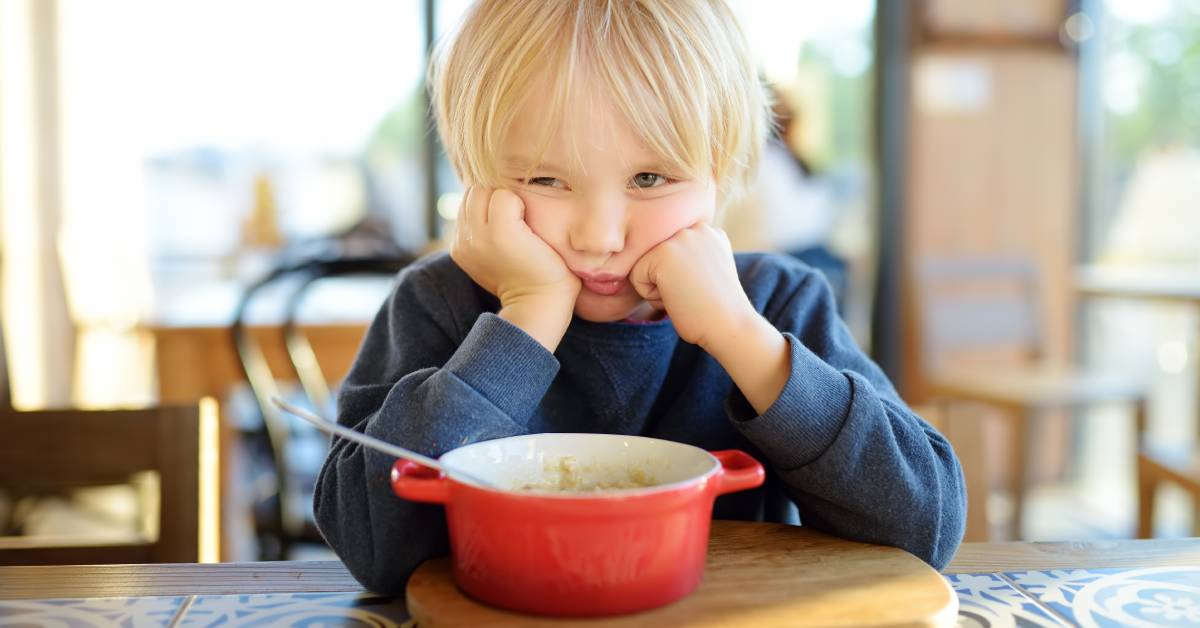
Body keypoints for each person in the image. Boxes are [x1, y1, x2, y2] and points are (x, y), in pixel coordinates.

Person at [315, 0, 966, 594]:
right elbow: (370, 550)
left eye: (650, 178)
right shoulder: (438, 303)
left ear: (722, 169)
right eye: (546, 178)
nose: (599, 236)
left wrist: (742, 338)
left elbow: (925, 527)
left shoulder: (773, 303)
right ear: (476, 175)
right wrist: (527, 318)